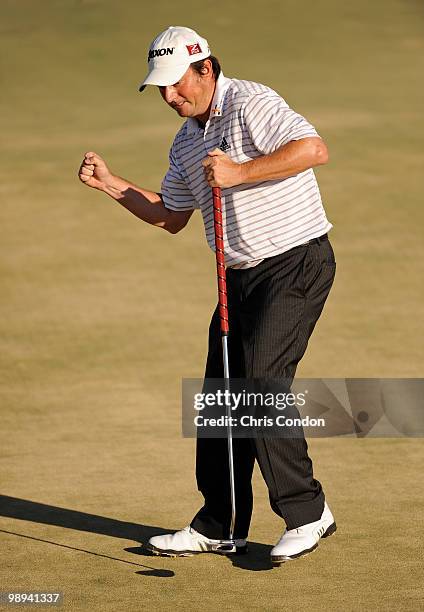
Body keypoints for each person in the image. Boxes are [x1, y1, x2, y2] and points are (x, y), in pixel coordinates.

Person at [78, 25, 337, 564]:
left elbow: (313, 148)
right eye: (162, 89)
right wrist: (110, 184)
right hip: (239, 277)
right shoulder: (185, 141)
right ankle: (221, 523)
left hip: (295, 264)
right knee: (222, 398)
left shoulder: (250, 103)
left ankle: (308, 513)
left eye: (178, 84)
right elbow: (169, 217)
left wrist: (240, 171)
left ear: (206, 68)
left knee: (262, 381)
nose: (171, 97)